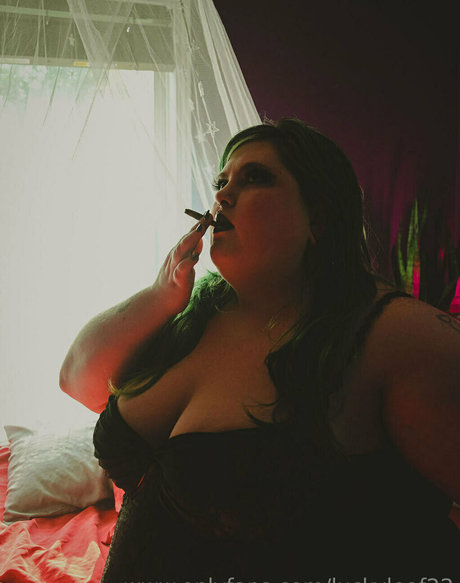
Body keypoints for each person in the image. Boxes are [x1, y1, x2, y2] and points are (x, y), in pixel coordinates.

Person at [60, 118, 460, 581]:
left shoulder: (391, 332)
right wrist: (159, 295)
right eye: (222, 182)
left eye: (254, 178)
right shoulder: (192, 314)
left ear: (318, 218)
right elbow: (78, 379)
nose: (223, 196)